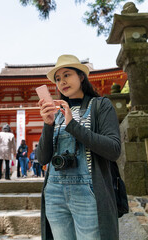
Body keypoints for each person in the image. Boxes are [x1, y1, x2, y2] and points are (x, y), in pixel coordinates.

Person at [37, 54, 121, 240]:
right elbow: (42, 158)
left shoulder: (101, 105)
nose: (62, 82)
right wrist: (48, 124)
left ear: (81, 77)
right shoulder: (56, 113)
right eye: (58, 79)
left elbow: (114, 149)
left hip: (88, 192)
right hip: (54, 192)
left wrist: (72, 125)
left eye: (67, 75)